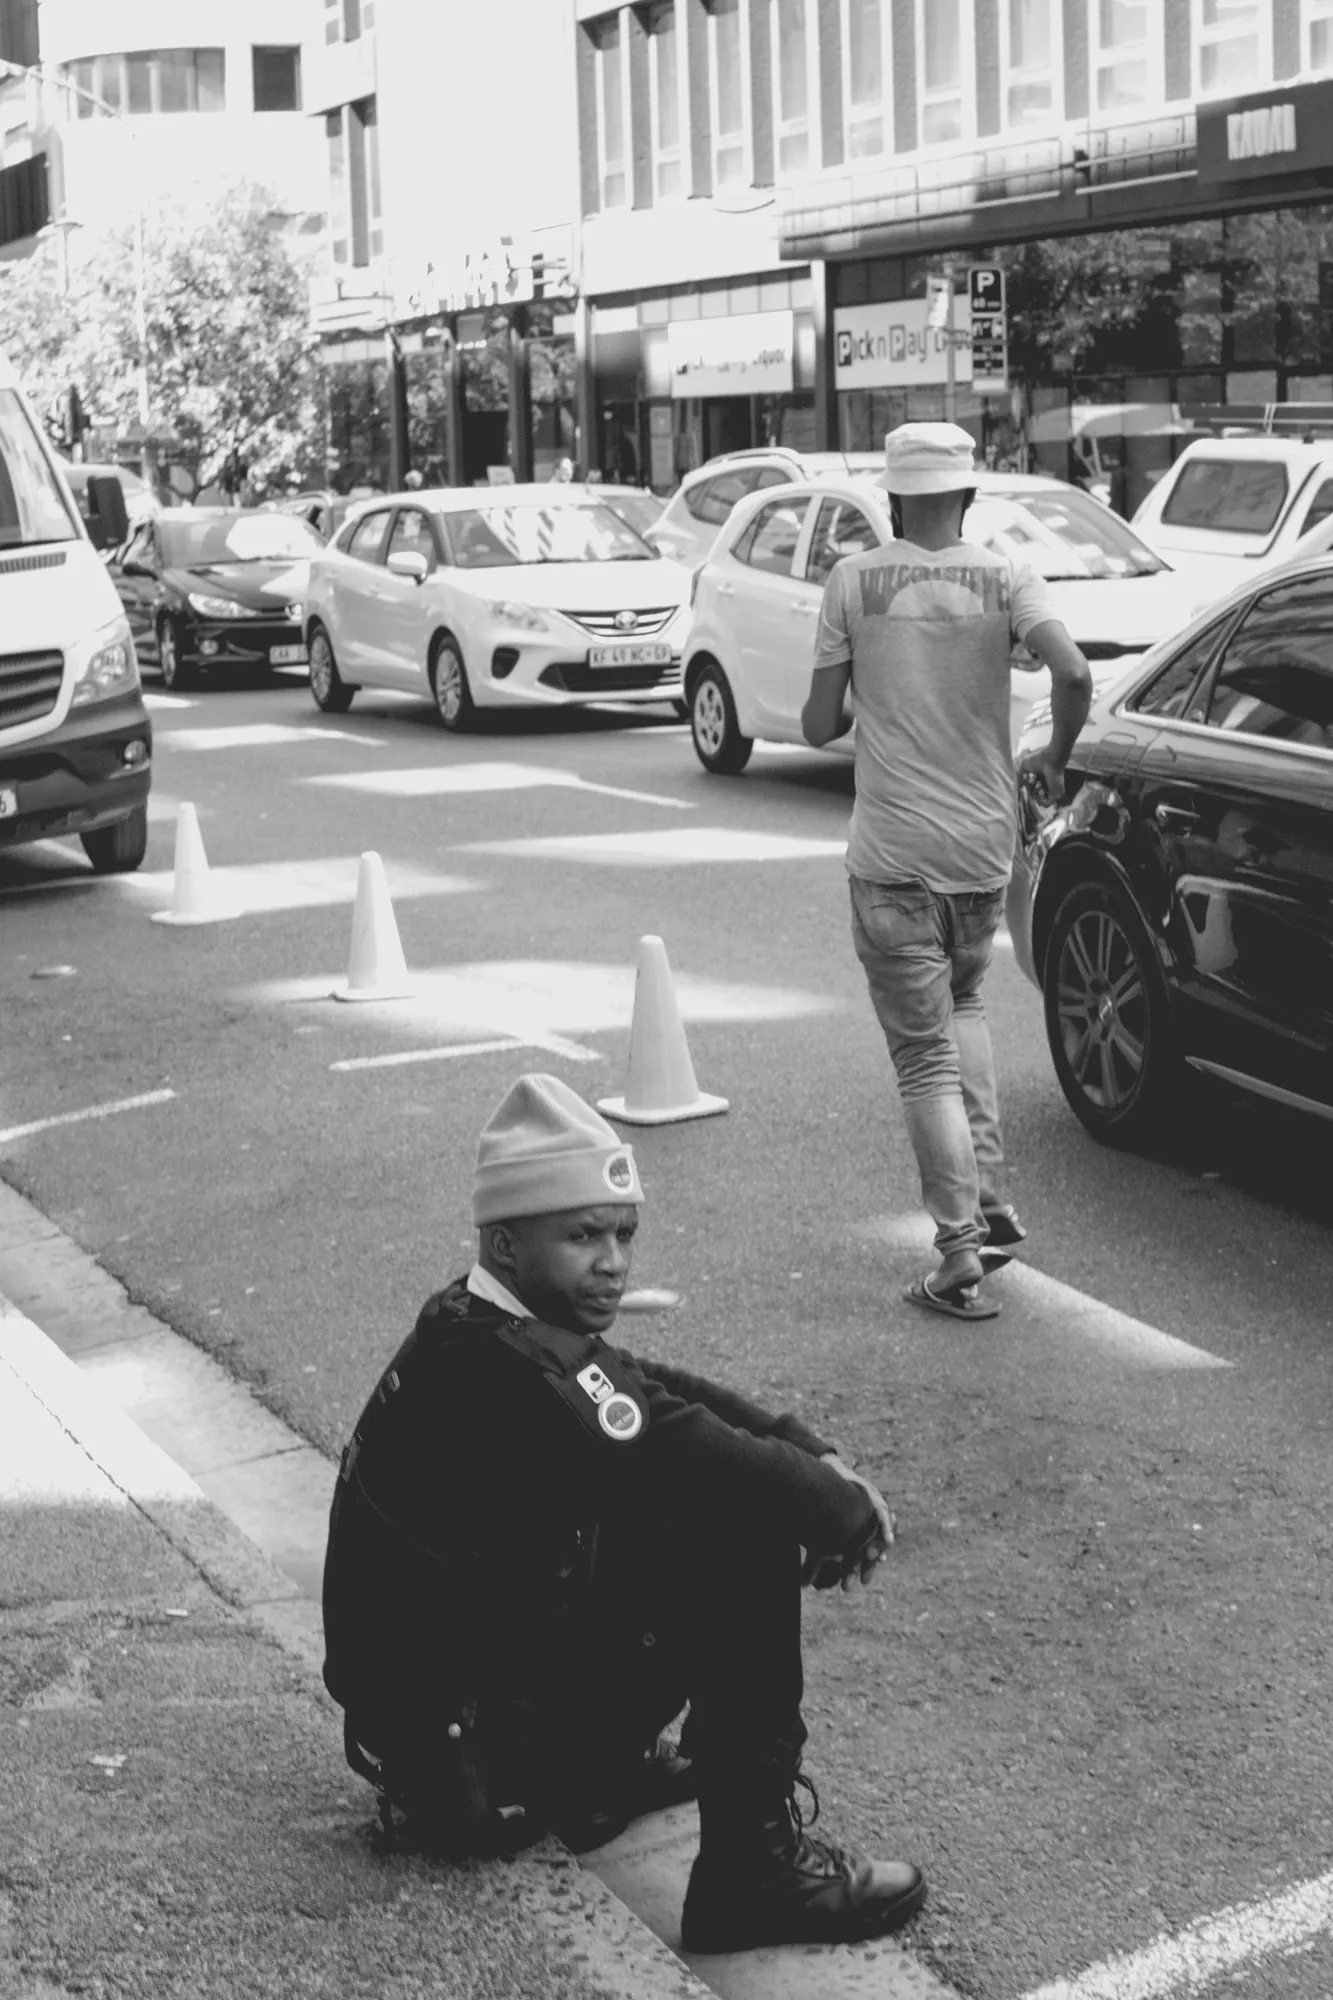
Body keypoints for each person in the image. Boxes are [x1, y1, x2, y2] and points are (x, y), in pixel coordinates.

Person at [322, 1074, 927, 1952]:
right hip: (470, 1769)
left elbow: (650, 1390)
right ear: (503, 1242)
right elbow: (685, 1450)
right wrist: (834, 1509)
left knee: (702, 1497)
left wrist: (810, 1452)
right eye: (582, 1236)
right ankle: (750, 1878)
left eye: (623, 1233)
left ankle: (607, 1769)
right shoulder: (513, 1375)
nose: (613, 1259)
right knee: (742, 1528)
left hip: (437, 1733)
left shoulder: (480, 1322)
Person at [801, 422, 1092, 1321]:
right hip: (979, 848)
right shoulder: (1007, 576)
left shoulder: (851, 581)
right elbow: (1073, 672)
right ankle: (993, 1206)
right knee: (964, 1013)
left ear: (892, 495)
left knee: (922, 1061)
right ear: (966, 495)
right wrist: (1054, 757)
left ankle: (958, 1251)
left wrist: (874, 686)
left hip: (892, 856)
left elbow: (815, 726)